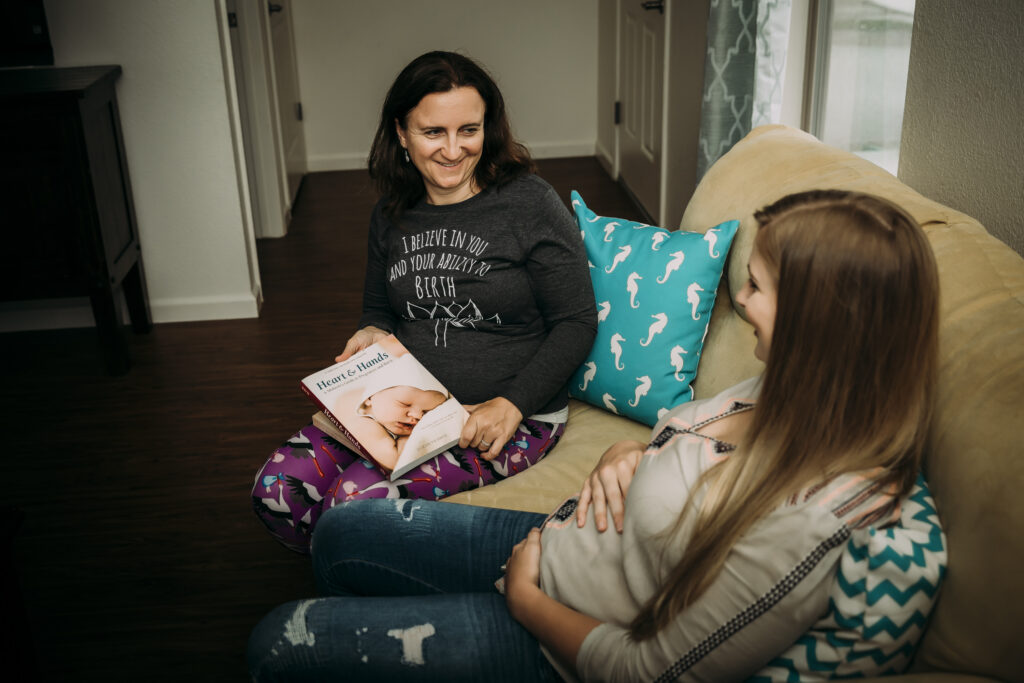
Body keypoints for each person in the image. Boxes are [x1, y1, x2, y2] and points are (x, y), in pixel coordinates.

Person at [248, 190, 941, 681]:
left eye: (755, 288)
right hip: (564, 536)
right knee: (343, 533)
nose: (741, 303)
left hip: (562, 634)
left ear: (820, 319)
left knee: (280, 644)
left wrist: (526, 599)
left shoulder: (816, 521)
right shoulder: (779, 386)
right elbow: (693, 453)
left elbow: (653, 670)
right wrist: (629, 451)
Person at [251, 50, 597, 552]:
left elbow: (576, 322)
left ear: (488, 128)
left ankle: (363, 587)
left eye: (469, 130)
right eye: (434, 132)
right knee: (276, 492)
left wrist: (512, 405)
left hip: (501, 418)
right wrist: (370, 332)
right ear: (401, 133)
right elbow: (378, 310)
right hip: (402, 414)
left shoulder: (529, 203)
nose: (454, 150)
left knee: (354, 507)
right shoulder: (391, 213)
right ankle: (357, 572)